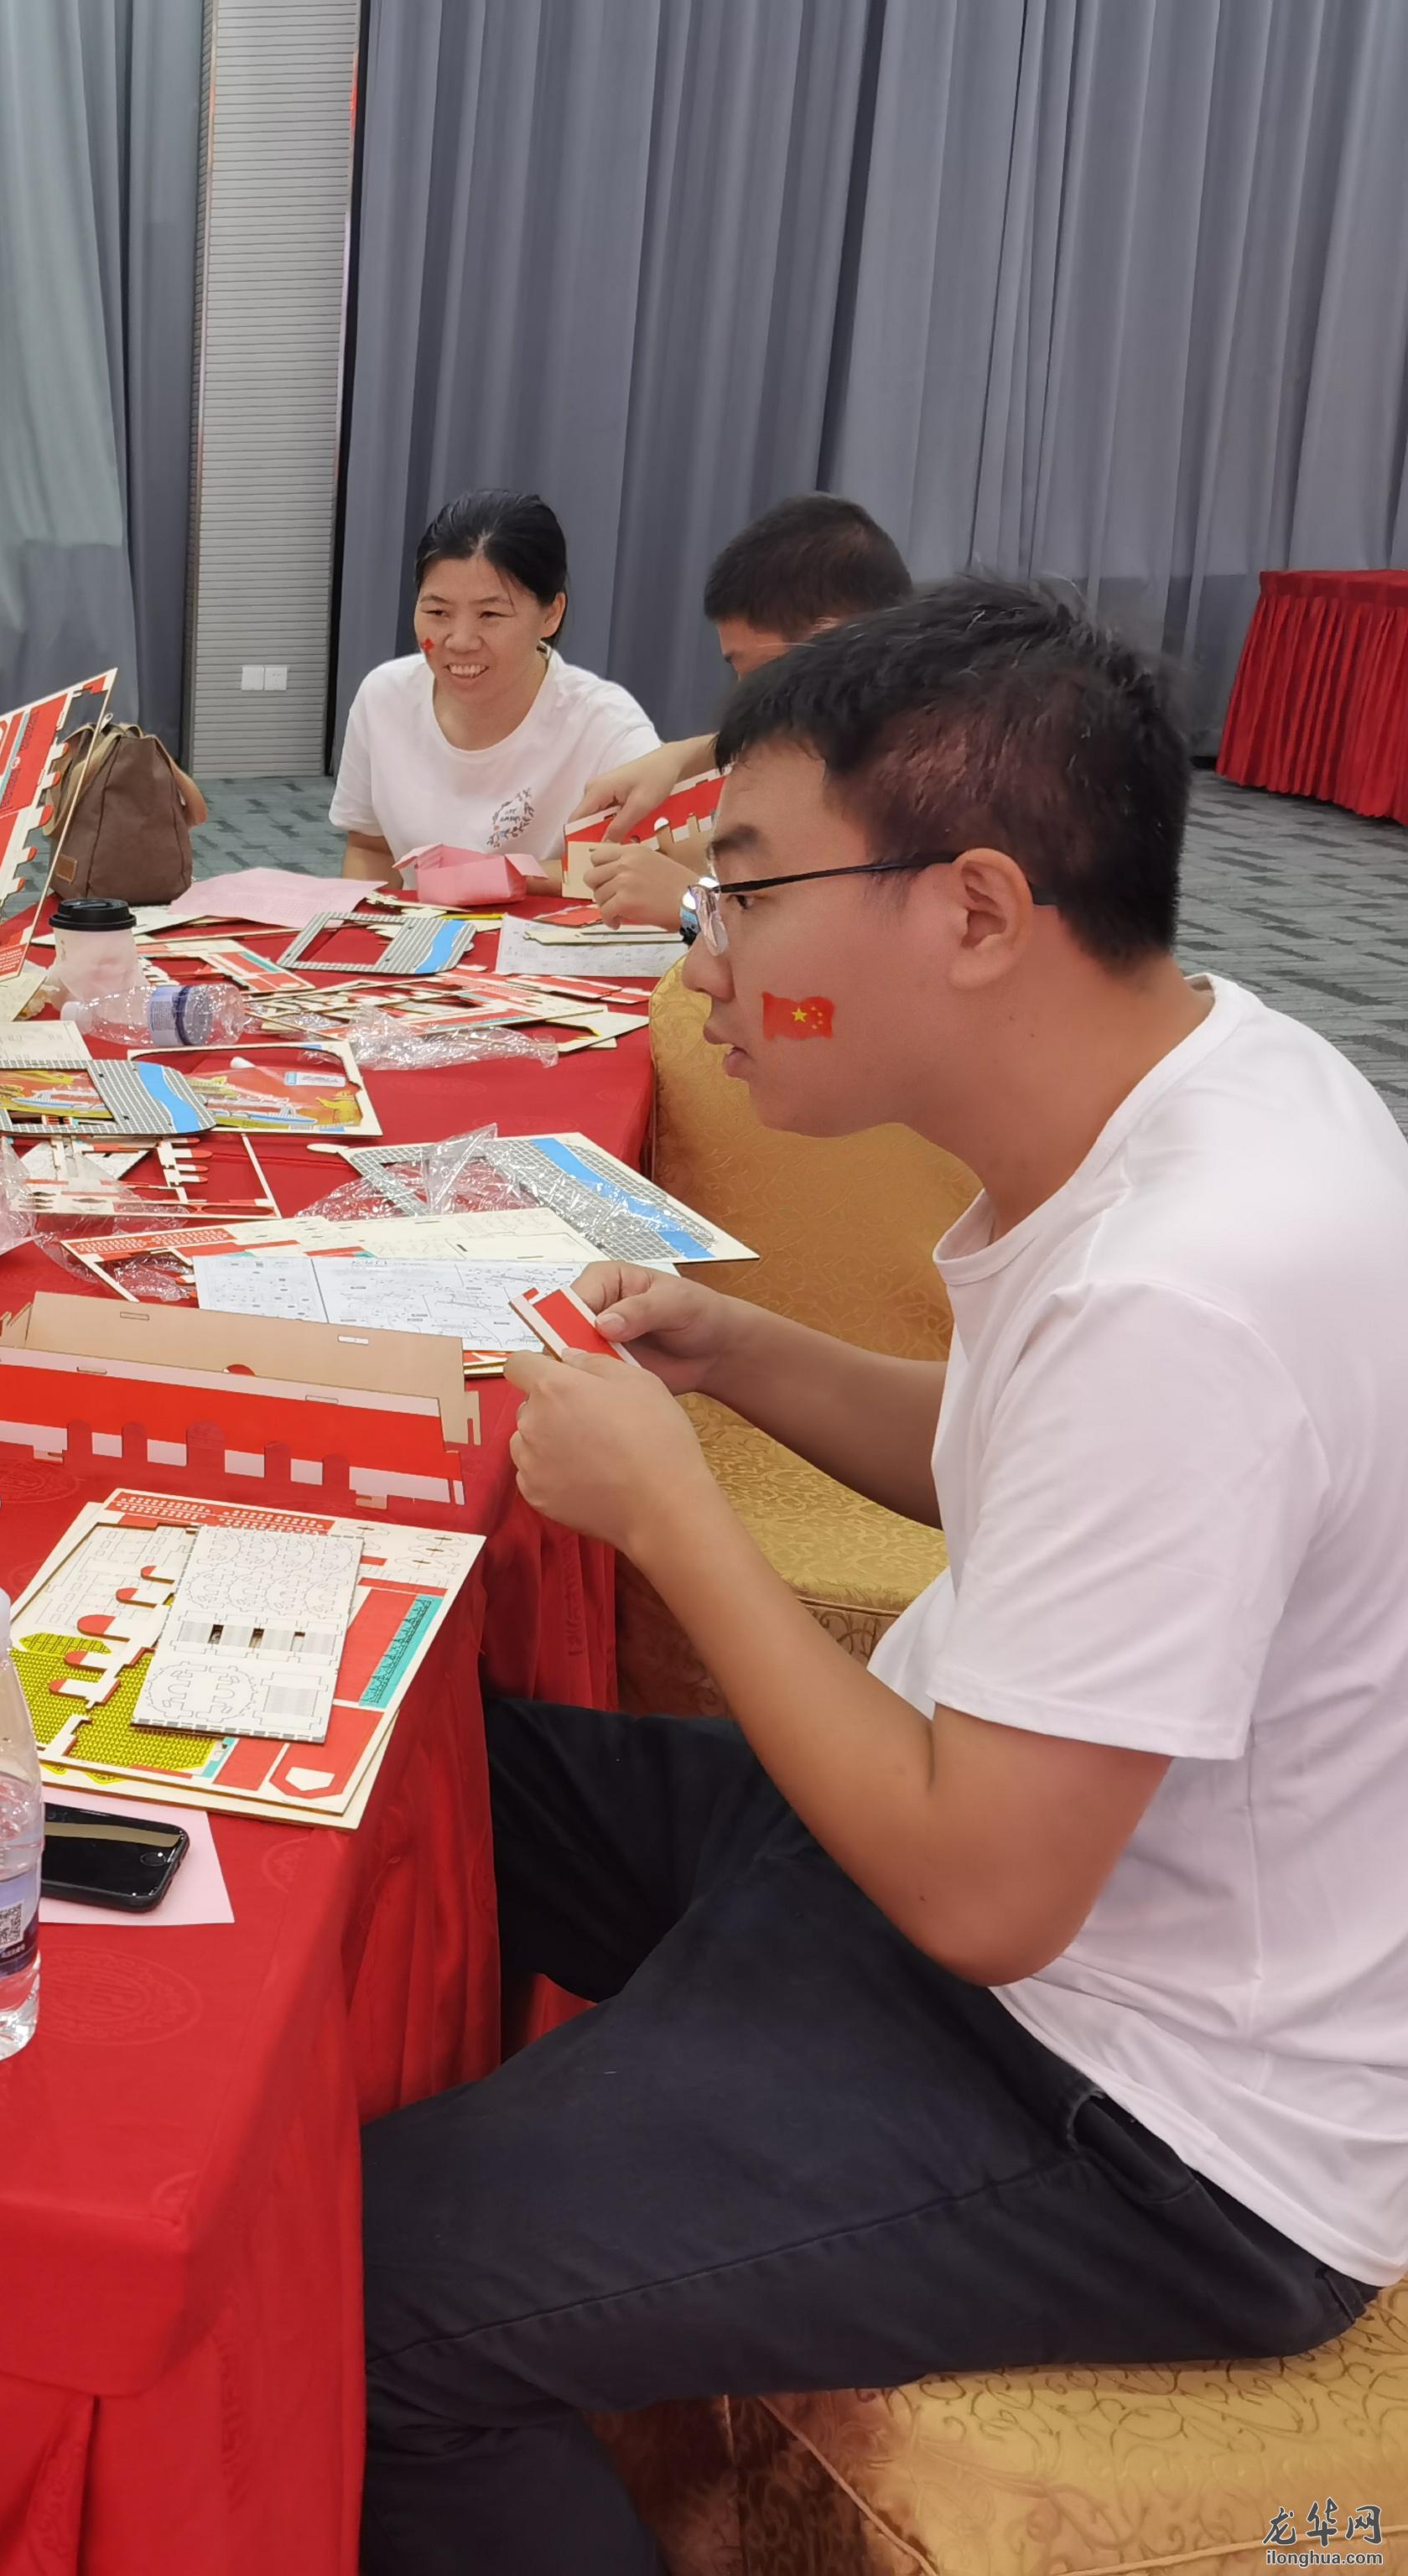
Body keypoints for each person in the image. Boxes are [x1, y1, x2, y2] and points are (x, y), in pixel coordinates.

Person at [362, 581, 1399, 2573]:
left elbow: (985, 1899)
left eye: (748, 890)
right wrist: (737, 1347)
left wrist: (674, 1515)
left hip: (1142, 2106)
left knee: (373, 2288)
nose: (705, 952)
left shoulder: (1191, 1287)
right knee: (408, 1774)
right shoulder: (1189, 1083)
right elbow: (1024, 1464)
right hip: (987, 1875)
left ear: (977, 911)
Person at [574, 492, 914, 924]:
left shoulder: (912, 782)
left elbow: (820, 943)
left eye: (757, 675)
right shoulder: (848, 737)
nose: (747, 701)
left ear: (833, 643)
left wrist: (691, 905)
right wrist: (680, 757)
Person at [331, 491, 659, 884]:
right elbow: (370, 847)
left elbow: (655, 868)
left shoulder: (605, 726)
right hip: (421, 925)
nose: (460, 641)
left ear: (551, 614)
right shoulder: (384, 698)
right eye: (437, 611)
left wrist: (493, 878)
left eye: (490, 614)